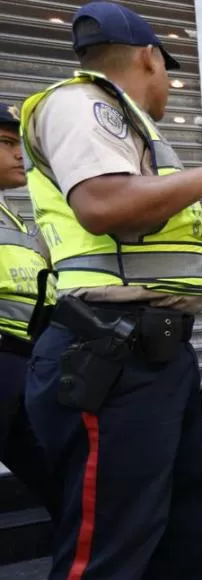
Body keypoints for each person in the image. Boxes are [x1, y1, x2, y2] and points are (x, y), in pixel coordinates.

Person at [19, 3, 202, 580]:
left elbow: (139, 232)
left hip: (152, 351)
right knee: (107, 540)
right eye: (168, 73)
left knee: (181, 519)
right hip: (110, 352)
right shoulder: (84, 105)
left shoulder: (123, 131)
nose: (170, 87)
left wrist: (201, 236)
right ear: (149, 57)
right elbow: (104, 206)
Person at [0, 103, 59, 518]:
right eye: (6, 144)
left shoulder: (12, 214)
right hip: (6, 358)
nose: (21, 153)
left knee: (59, 479)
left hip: (27, 358)